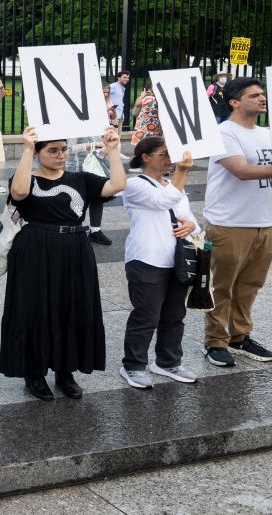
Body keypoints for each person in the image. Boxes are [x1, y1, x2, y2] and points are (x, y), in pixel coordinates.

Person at [1, 126, 125, 400]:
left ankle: (65, 370)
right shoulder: (28, 177)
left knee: (72, 308)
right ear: (39, 153)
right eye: (53, 150)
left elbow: (117, 185)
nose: (60, 155)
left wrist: (114, 150)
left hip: (74, 249)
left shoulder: (79, 178)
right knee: (35, 310)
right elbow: (19, 193)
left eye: (64, 149)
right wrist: (26, 150)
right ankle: (33, 373)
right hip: (35, 248)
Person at [203, 77, 272, 367]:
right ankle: (215, 341)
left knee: (250, 285)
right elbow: (241, 171)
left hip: (262, 224)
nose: (262, 99)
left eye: (263, 94)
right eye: (254, 95)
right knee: (223, 287)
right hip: (229, 223)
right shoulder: (224, 133)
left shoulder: (266, 133)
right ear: (234, 102)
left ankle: (240, 337)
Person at [119, 138, 199, 389]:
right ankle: (133, 365)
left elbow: (190, 217)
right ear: (145, 157)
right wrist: (183, 172)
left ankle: (168, 361)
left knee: (175, 314)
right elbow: (161, 202)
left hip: (177, 259)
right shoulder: (134, 184)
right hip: (147, 259)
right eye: (164, 154)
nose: (170, 160)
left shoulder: (174, 184)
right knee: (146, 316)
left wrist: (191, 226)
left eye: (171, 155)